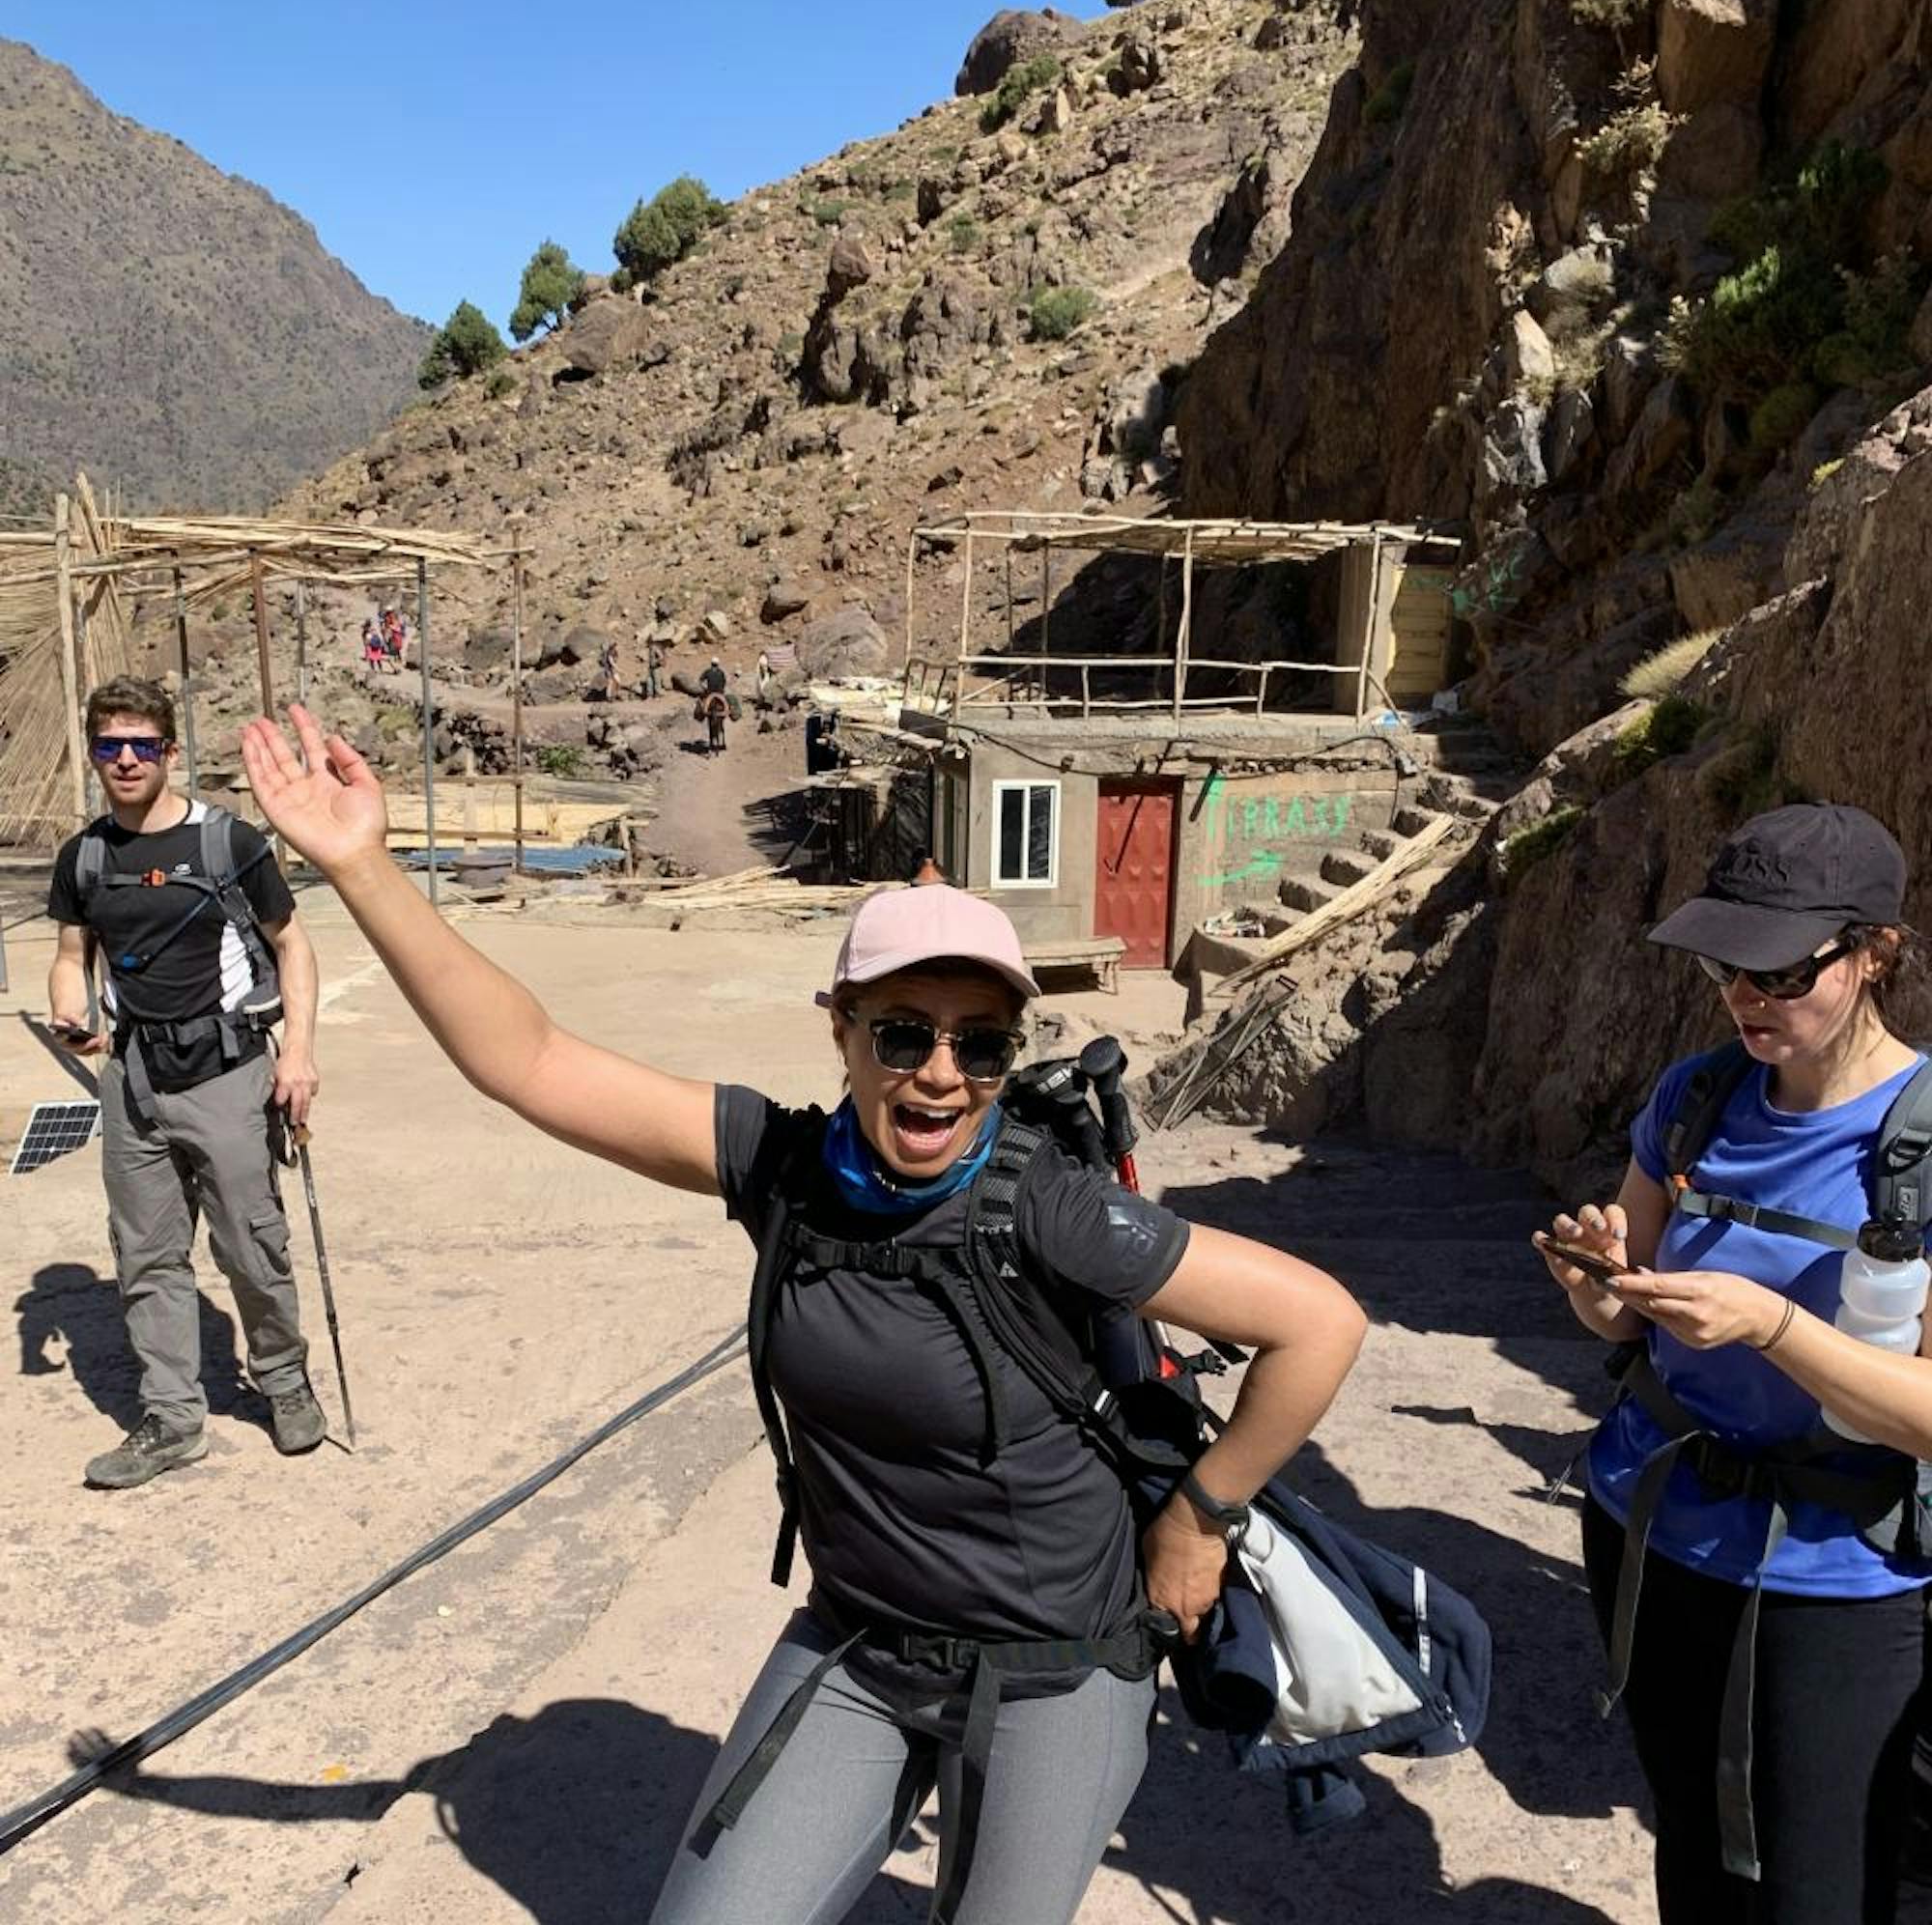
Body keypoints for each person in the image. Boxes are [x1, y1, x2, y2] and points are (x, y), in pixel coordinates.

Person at [239, 702, 1367, 1925]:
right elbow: (529, 1059)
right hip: (859, 1644)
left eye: (980, 1045)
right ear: (837, 1025)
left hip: (1055, 1671)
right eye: (902, 1030)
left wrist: (1200, 1517)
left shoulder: (1047, 1208)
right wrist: (358, 864)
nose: (941, 1070)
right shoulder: (775, 1165)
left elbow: (1316, 1322)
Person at [1536, 802, 1931, 1924]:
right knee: (1692, 1851)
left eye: (1777, 969)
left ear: (1872, 953)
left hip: (1834, 1574)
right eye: (1724, 965)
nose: (1743, 996)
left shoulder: (1923, 1141)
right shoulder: (1694, 1096)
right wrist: (1595, 1278)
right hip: (1652, 1527)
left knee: (1816, 1887)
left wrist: (1770, 1327)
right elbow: (1624, 1325)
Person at [46, 678, 327, 1489]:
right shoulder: (86, 857)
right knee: (146, 1257)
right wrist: (74, 1016)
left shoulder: (229, 843)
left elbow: (294, 945)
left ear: (170, 752)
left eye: (141, 745)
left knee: (251, 1244)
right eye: (109, 746)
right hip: (133, 1078)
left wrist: (298, 1054)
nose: (125, 760)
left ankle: (282, 1380)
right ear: (94, 755)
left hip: (230, 1072)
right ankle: (173, 1418)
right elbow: (72, 958)